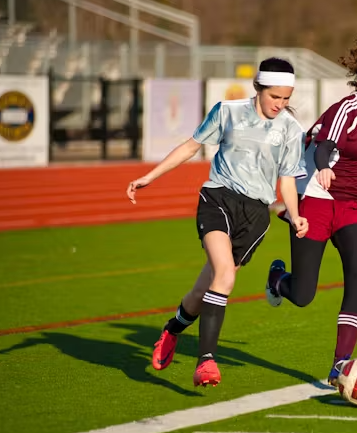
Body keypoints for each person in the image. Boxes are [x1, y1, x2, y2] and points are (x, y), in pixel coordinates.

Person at [125, 57, 309, 388]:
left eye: (286, 99)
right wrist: (150, 177)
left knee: (205, 288)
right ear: (258, 88)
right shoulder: (227, 111)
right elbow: (191, 146)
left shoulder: (291, 130)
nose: (280, 105)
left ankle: (173, 329)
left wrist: (295, 216)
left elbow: (286, 182)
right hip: (217, 199)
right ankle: (206, 361)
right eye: (274, 97)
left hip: (255, 217)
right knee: (224, 275)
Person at [263, 34, 357, 386]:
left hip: (356, 205)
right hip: (317, 196)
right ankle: (277, 280)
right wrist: (325, 165)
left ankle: (340, 364)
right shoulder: (345, 110)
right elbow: (325, 144)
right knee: (303, 295)